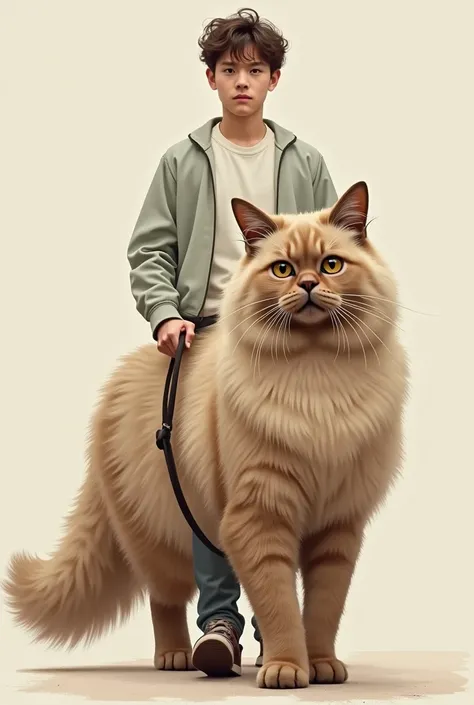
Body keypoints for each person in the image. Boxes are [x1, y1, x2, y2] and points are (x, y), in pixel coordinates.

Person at [127, 7, 338, 678]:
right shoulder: (182, 161)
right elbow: (149, 252)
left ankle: (303, 629)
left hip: (288, 334)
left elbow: (337, 247)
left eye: (254, 70)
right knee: (212, 478)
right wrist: (165, 314)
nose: (241, 81)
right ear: (210, 78)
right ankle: (219, 618)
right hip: (208, 334)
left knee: (303, 485)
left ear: (275, 79)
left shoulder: (304, 161)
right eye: (228, 70)